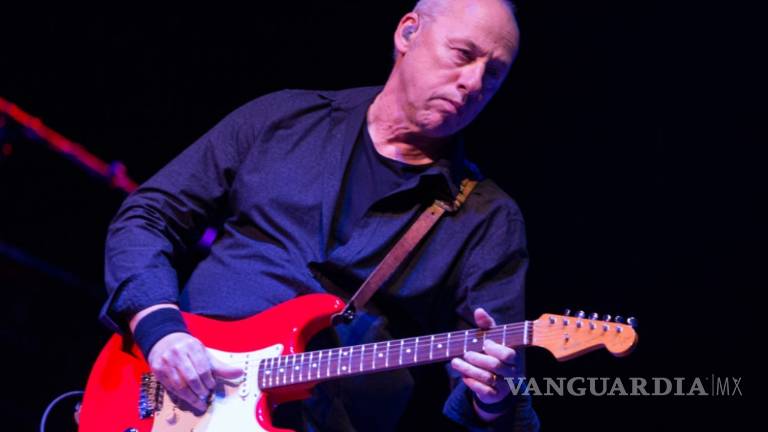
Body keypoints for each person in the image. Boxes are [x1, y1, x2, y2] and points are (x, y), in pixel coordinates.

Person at [100, 0, 540, 430]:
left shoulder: (489, 219)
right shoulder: (283, 119)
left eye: (494, 73)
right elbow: (149, 215)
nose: (473, 83)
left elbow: (501, 399)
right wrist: (159, 329)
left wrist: (495, 398)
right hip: (168, 398)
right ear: (408, 32)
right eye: (462, 54)